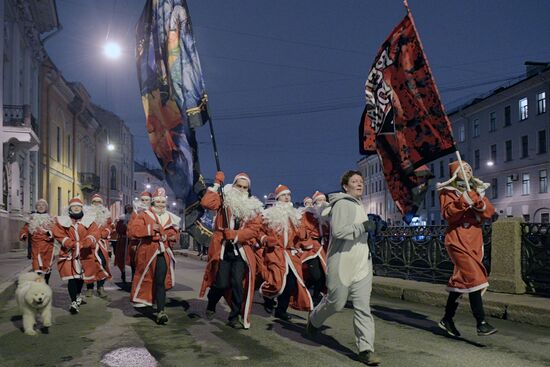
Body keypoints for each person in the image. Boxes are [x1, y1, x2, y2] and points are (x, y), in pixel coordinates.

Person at [306, 170, 381, 366]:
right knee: (336, 303)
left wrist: (376, 227)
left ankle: (366, 349)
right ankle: (314, 319)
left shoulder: (358, 204)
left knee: (363, 308)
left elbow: (362, 230)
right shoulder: (341, 203)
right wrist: (364, 227)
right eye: (354, 181)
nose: (359, 184)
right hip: (342, 263)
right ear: (345, 187)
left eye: (361, 181)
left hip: (362, 264)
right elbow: (339, 231)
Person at [436, 160, 497, 337]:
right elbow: (448, 214)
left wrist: (478, 202)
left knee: (462, 281)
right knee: (475, 278)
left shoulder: (476, 190)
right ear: (455, 173)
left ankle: (447, 319)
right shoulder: (447, 191)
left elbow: (489, 212)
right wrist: (464, 200)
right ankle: (481, 322)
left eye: (470, 168)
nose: (468, 170)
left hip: (474, 240)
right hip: (457, 239)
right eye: (464, 168)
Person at [199, 172, 263, 329]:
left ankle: (234, 316)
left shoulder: (252, 207)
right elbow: (206, 203)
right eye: (238, 186)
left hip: (240, 249)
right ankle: (212, 302)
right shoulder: (223, 199)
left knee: (237, 284)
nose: (241, 189)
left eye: (244, 187)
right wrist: (215, 183)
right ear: (233, 185)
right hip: (223, 248)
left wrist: (236, 234)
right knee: (220, 284)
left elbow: (254, 229)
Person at [259, 184, 313, 321]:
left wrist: (303, 237)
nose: (287, 197)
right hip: (274, 253)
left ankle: (281, 310)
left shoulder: (295, 215)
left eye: (288, 195)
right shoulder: (269, 214)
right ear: (278, 198)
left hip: (290, 254)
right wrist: (265, 239)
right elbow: (259, 232)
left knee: (290, 283)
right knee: (276, 281)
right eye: (283, 195)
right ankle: (267, 296)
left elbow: (301, 234)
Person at [129, 187, 180, 325]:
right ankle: (147, 302)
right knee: (147, 278)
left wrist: (173, 236)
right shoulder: (144, 215)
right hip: (148, 252)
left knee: (160, 280)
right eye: (158, 202)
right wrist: (151, 229)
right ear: (153, 202)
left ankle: (161, 311)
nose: (161, 205)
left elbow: (175, 233)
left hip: (163, 252)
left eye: (163, 202)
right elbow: (134, 231)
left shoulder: (170, 216)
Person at [52, 197, 100, 314]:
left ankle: (78, 294)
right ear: (70, 208)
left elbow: (94, 233)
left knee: (80, 278)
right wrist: (71, 243)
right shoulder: (63, 221)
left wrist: (86, 243)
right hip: (68, 253)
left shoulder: (89, 221)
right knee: (71, 278)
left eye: (78, 206)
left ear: (82, 208)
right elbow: (59, 234)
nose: (76, 208)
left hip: (84, 254)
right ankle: (73, 302)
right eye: (74, 206)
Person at [301, 191, 329, 306]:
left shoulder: (328, 215)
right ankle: (303, 291)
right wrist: (307, 242)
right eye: (319, 201)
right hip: (312, 248)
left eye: (323, 200)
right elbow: (302, 231)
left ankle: (316, 296)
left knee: (324, 275)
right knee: (315, 275)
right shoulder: (308, 215)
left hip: (325, 247)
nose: (321, 203)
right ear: (314, 203)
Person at [82, 194, 113, 298]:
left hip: (101, 244)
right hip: (90, 244)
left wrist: (104, 233)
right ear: (92, 203)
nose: (97, 204)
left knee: (102, 264)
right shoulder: (86, 214)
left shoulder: (106, 214)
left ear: (101, 203)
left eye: (99, 202)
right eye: (95, 202)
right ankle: (89, 288)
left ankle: (101, 287)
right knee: (89, 265)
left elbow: (110, 226)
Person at [19, 199, 55, 284]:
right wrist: (24, 234)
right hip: (36, 245)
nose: (41, 206)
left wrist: (49, 233)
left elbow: (55, 230)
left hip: (48, 245)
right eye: (39, 205)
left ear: (46, 207)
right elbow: (25, 228)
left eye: (43, 205)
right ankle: (38, 283)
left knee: (47, 265)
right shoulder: (32, 218)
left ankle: (46, 282)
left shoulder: (51, 218)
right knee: (36, 264)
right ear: (36, 207)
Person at [128, 191, 152, 280]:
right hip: (137, 243)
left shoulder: (153, 213)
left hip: (150, 244)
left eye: (146, 200)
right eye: (143, 200)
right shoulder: (136, 213)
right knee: (136, 264)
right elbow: (131, 229)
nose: (144, 202)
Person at [115, 205, 134, 283]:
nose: (129, 210)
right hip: (123, 241)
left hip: (132, 240)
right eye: (128, 209)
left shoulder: (135, 219)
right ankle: (123, 274)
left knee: (133, 259)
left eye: (131, 209)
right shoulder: (122, 220)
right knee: (122, 258)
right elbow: (118, 229)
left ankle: (133, 276)